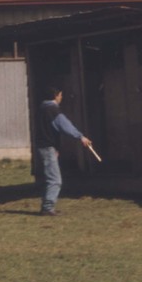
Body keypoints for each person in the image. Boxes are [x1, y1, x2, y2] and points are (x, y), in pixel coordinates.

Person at [35, 86, 92, 216]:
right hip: (48, 147)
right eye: (61, 95)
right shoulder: (53, 110)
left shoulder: (42, 108)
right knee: (55, 179)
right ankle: (48, 208)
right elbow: (65, 126)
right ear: (56, 96)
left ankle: (46, 205)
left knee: (50, 177)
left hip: (45, 147)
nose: (61, 97)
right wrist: (80, 137)